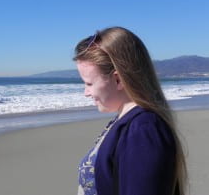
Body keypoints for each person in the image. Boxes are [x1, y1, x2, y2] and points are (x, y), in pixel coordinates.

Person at [73, 27, 187, 195]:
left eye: (89, 83)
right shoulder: (127, 122)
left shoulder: (143, 130)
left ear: (118, 80)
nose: (86, 92)